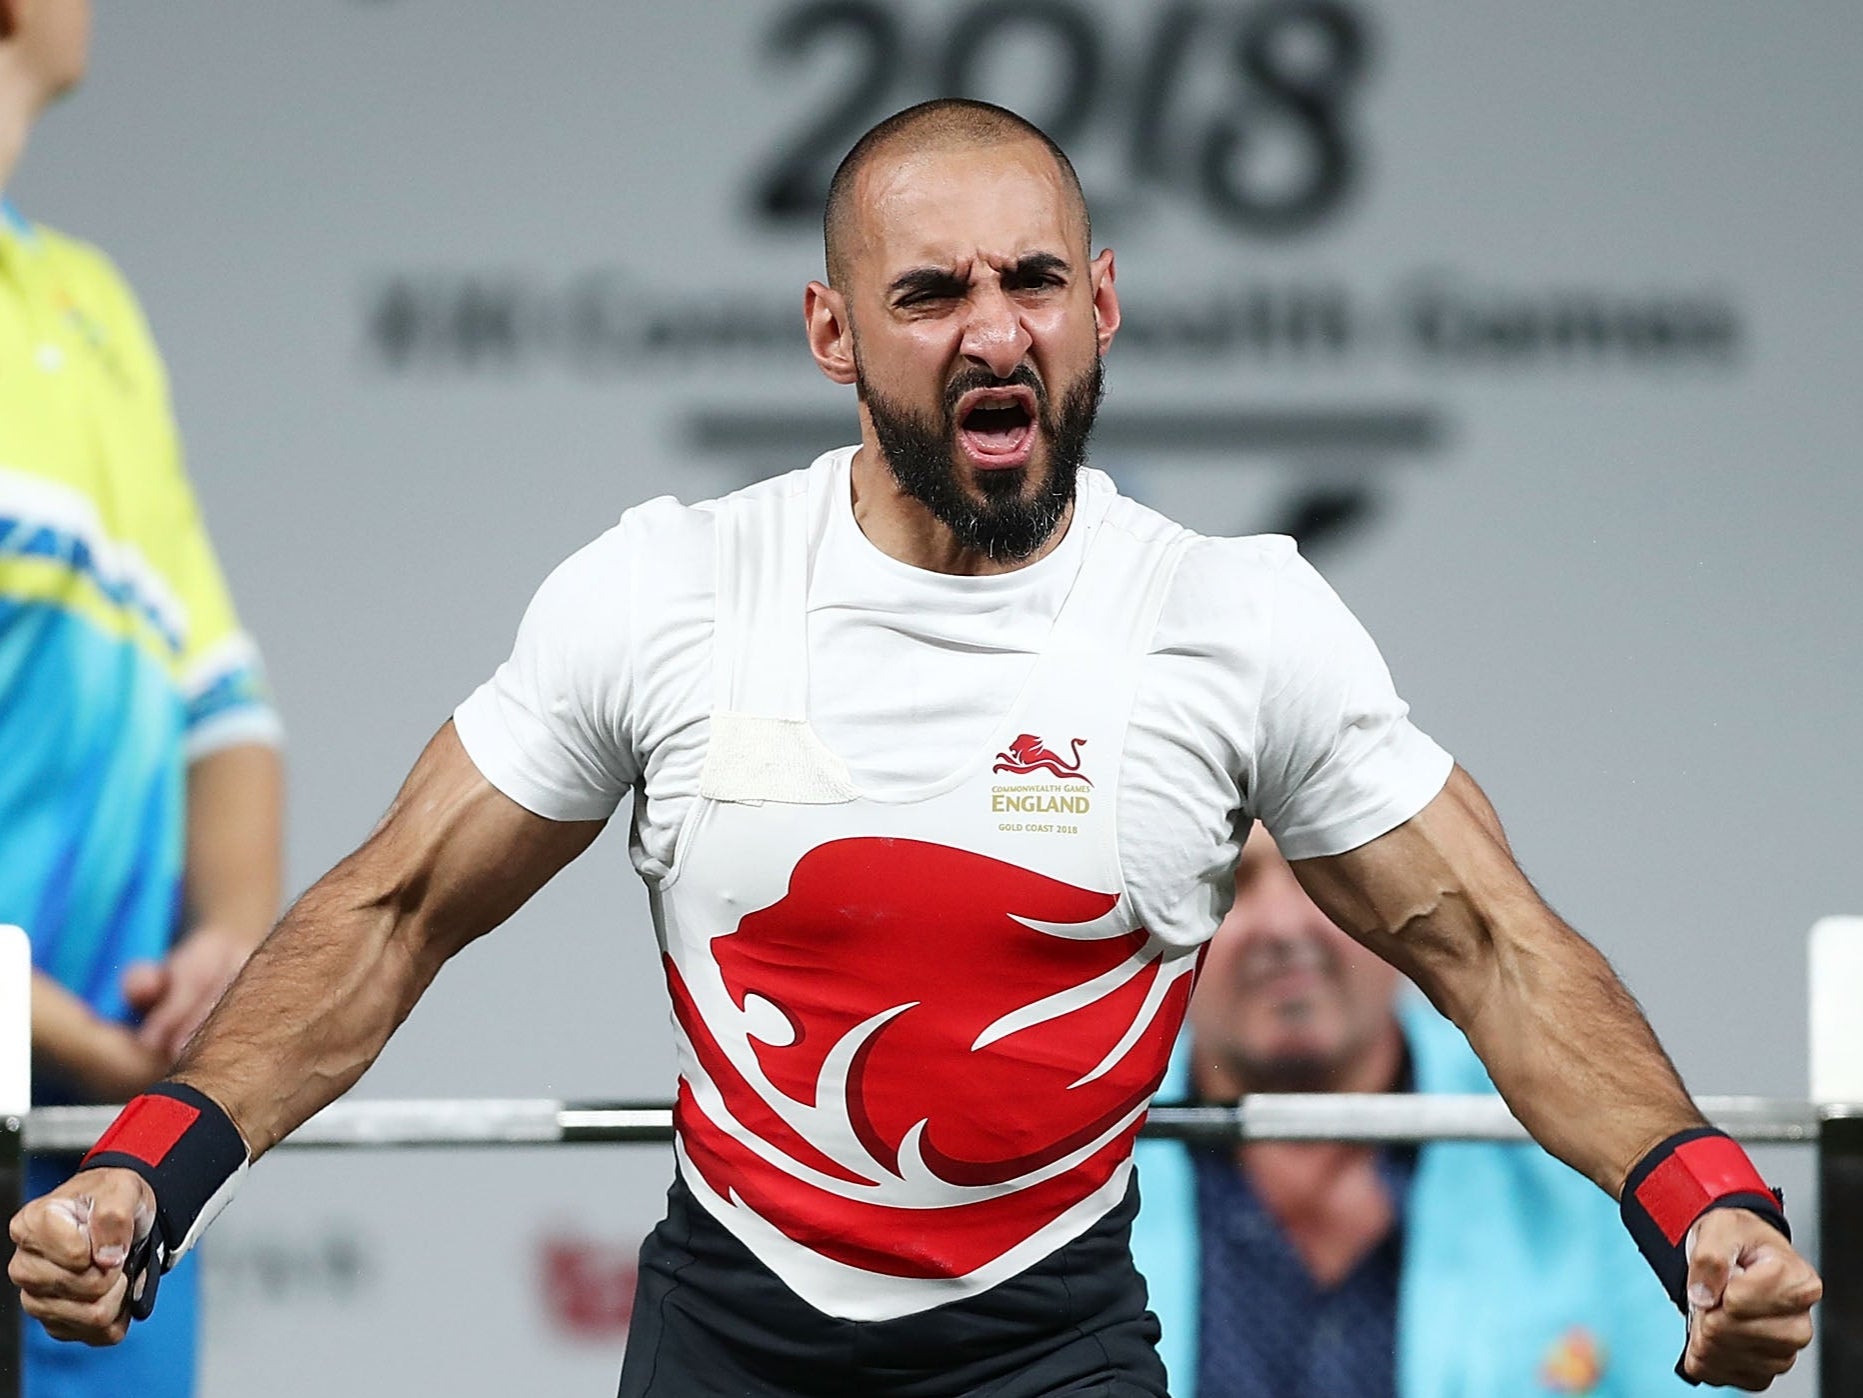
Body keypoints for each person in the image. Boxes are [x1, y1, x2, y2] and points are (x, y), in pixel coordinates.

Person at [8, 98, 1819, 1396]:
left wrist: (1705, 1209)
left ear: (1098, 304)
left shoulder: (1225, 617)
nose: (991, 328)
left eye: (1030, 280)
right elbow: (393, 911)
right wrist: (142, 1170)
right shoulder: (677, 588)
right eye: (928, 293)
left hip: (1053, 1339)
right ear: (829, 332)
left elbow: (1488, 943)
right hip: (727, 1333)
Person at [0, 2, 284, 1395]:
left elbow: (221, 706)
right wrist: (84, 1039)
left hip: (101, 1192)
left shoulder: (89, 304)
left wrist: (224, 951)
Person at [1132, 829, 1707, 1397]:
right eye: (1232, 881)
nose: (1284, 925)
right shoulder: (1080, 1156)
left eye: (1324, 877)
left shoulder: (1572, 1139)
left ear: (1398, 907)